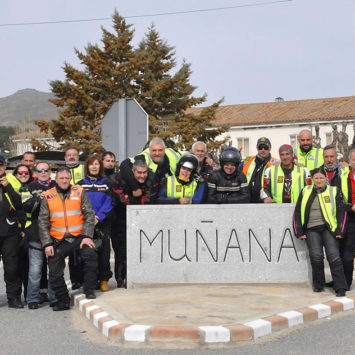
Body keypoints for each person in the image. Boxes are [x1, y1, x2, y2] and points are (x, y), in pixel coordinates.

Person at [38, 166, 97, 311]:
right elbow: (43, 221)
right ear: (56, 179)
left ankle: (89, 290)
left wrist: (87, 236)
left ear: (70, 179)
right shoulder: (48, 195)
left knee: (90, 256)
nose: (64, 181)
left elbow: (89, 214)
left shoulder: (79, 191)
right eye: (61, 178)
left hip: (79, 237)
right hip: (59, 239)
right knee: (54, 271)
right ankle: (63, 300)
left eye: (67, 178)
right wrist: (47, 244)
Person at [293, 167, 347, 297]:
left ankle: (340, 287)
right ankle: (319, 284)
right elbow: (298, 212)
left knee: (333, 255)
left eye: (321, 178)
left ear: (325, 179)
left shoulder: (334, 191)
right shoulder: (305, 191)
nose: (318, 180)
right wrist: (299, 231)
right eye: (316, 178)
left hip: (329, 228)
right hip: (311, 229)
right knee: (316, 256)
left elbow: (342, 211)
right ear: (312, 180)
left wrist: (340, 230)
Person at [112, 160, 159, 288]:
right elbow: (120, 199)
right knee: (121, 251)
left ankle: (137, 276)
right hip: (120, 218)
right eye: (139, 173)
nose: (142, 176)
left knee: (140, 250)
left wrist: (131, 197)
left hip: (142, 220)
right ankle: (120, 279)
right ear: (132, 172)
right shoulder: (120, 178)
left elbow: (149, 200)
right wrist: (136, 196)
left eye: (144, 172)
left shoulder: (153, 178)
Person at [23, 161, 57, 309]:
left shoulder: (57, 185)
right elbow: (25, 207)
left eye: (46, 170)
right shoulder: (28, 187)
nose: (43, 172)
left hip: (55, 233)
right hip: (35, 234)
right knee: (35, 270)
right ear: (35, 173)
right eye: (40, 170)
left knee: (55, 269)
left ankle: (55, 297)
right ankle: (32, 299)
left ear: (50, 172)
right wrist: (39, 198)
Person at [77, 155, 113, 292]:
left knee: (104, 252)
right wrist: (89, 219)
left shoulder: (107, 183)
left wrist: (98, 217)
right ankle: (87, 280)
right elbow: (77, 203)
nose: (94, 166)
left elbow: (109, 202)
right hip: (86, 224)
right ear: (87, 167)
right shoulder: (80, 184)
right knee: (87, 252)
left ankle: (104, 280)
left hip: (102, 223)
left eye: (97, 164)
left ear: (100, 166)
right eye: (91, 164)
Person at [0, 155, 23, 308]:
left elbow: (19, 203)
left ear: (5, 166)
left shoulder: (13, 180)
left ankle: (13, 297)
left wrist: (7, 186)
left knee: (12, 266)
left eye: (1, 165)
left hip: (10, 230)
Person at [12, 164, 33, 302]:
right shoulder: (11, 188)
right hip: (16, 231)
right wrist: (21, 230)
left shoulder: (33, 187)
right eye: (20, 172)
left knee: (31, 265)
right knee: (17, 265)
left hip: (32, 230)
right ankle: (16, 295)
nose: (23, 174)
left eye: (26, 172)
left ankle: (29, 294)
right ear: (16, 174)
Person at [336, 148, 355, 289]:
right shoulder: (341, 176)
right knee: (347, 254)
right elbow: (337, 199)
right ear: (349, 161)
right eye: (354, 159)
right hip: (349, 218)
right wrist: (351, 207)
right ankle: (345, 283)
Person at [242, 137, 276, 203]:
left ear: (270, 148)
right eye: (260, 147)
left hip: (266, 199)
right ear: (257, 148)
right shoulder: (248, 160)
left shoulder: (275, 163)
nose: (263, 150)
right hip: (248, 198)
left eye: (266, 147)